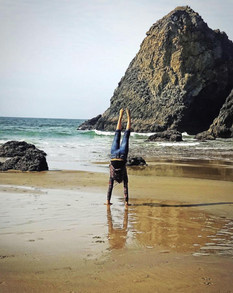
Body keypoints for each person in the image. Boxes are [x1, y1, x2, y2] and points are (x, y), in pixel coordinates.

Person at [106, 108, 131, 206]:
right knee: (117, 134)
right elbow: (109, 188)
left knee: (126, 135)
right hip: (113, 156)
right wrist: (108, 201)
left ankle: (128, 116)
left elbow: (125, 188)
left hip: (122, 156)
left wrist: (126, 202)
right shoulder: (112, 176)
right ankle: (120, 116)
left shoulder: (123, 176)